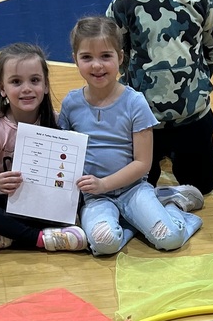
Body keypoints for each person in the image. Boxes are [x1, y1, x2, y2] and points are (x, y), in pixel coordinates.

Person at [58, 15, 203, 256]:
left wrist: (104, 183)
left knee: (170, 239)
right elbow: (65, 153)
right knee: (104, 245)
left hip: (133, 189)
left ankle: (173, 204)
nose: (97, 65)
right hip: (95, 197)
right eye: (87, 57)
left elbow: (143, 164)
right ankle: (137, 222)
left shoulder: (135, 103)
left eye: (106, 56)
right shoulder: (71, 103)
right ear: (75, 60)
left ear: (121, 57)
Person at [106, 0, 213, 197]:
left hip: (192, 115)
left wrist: (196, 83)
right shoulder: (124, 5)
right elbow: (118, 54)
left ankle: (184, 150)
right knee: (136, 189)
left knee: (202, 188)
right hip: (145, 120)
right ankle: (159, 155)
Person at [0, 42, 88, 256]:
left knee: (81, 199)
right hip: (8, 201)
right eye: (16, 82)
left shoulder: (58, 122)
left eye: (35, 80)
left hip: (46, 205)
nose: (27, 88)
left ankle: (4, 236)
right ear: (2, 89)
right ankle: (39, 239)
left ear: (46, 86)